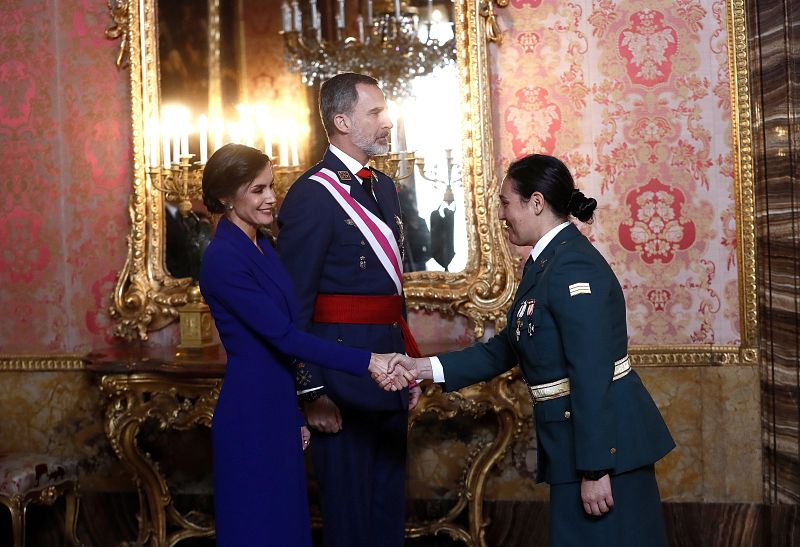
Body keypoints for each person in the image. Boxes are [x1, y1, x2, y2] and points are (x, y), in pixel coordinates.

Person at [393, 154, 676, 546]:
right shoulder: (545, 265)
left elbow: (591, 375)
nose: (501, 214)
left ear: (536, 202)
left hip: (606, 456)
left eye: (507, 202)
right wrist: (421, 368)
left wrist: (594, 470)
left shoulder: (574, 268)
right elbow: (504, 349)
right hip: (573, 451)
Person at [198, 143, 412, 546]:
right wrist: (367, 360)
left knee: (289, 527)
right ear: (226, 197)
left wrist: (297, 412)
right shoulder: (222, 257)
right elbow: (284, 334)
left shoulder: (264, 245)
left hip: (279, 401)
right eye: (258, 190)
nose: (271, 198)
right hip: (252, 407)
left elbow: (296, 317)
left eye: (271, 187)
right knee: (257, 527)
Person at [277, 72, 421, 547]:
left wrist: (410, 365)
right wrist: (311, 389)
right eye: (375, 112)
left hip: (389, 367)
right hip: (339, 378)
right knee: (349, 517)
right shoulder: (312, 195)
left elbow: (391, 293)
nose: (387, 121)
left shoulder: (384, 187)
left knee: (387, 510)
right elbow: (294, 303)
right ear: (341, 121)